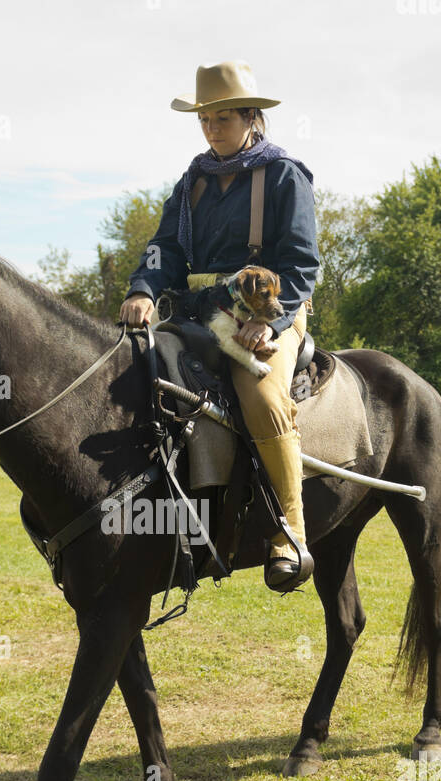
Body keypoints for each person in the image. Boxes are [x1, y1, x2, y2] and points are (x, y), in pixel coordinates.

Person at [119, 60, 320, 593]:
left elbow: (302, 264)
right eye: (205, 120)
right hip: (198, 312)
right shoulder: (193, 182)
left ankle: (290, 532)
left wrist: (269, 324)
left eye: (224, 118)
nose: (212, 129)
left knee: (258, 392)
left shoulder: (284, 175)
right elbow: (166, 248)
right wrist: (143, 287)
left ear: (252, 118)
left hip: (269, 312)